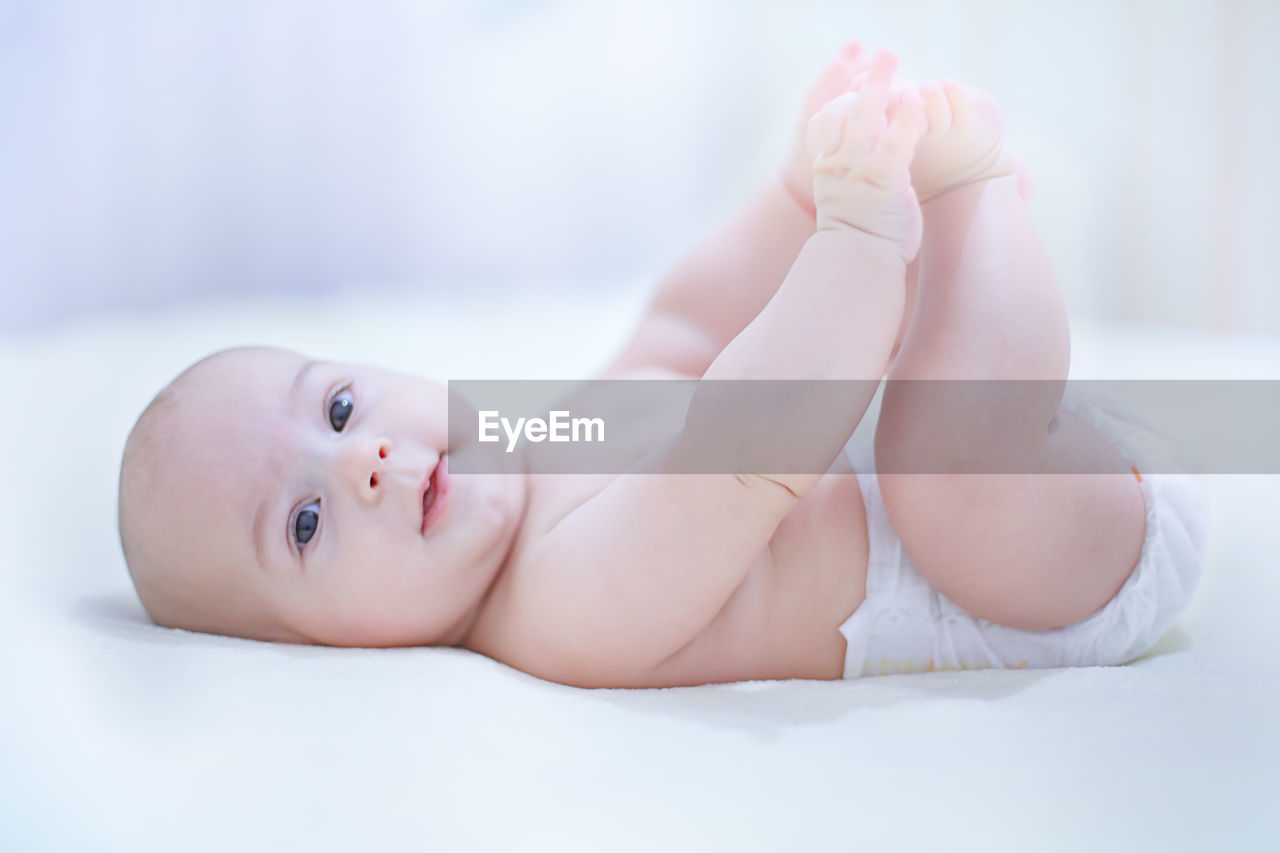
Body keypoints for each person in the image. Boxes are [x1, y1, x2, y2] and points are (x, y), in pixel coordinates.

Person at [116, 45, 1207, 688]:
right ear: (315, 652)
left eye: (340, 404)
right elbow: (744, 454)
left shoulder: (535, 442)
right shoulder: (555, 615)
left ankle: (971, 235)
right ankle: (974, 196)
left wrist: (787, 198)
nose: (362, 461)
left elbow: (684, 337)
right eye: (303, 524)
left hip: (1044, 493)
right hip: (1040, 591)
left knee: (935, 443)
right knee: (939, 467)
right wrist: (855, 242)